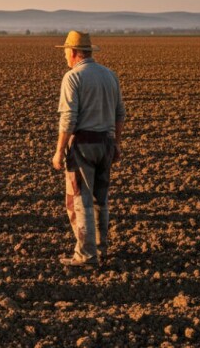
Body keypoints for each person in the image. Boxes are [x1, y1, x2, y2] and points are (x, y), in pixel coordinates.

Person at [52, 31, 125, 267]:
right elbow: (119, 114)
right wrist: (116, 143)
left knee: (79, 201)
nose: (64, 56)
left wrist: (59, 149)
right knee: (100, 200)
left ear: (74, 53)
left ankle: (85, 255)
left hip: (83, 144)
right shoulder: (109, 75)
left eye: (65, 51)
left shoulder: (73, 77)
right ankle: (100, 250)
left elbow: (69, 118)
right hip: (105, 143)